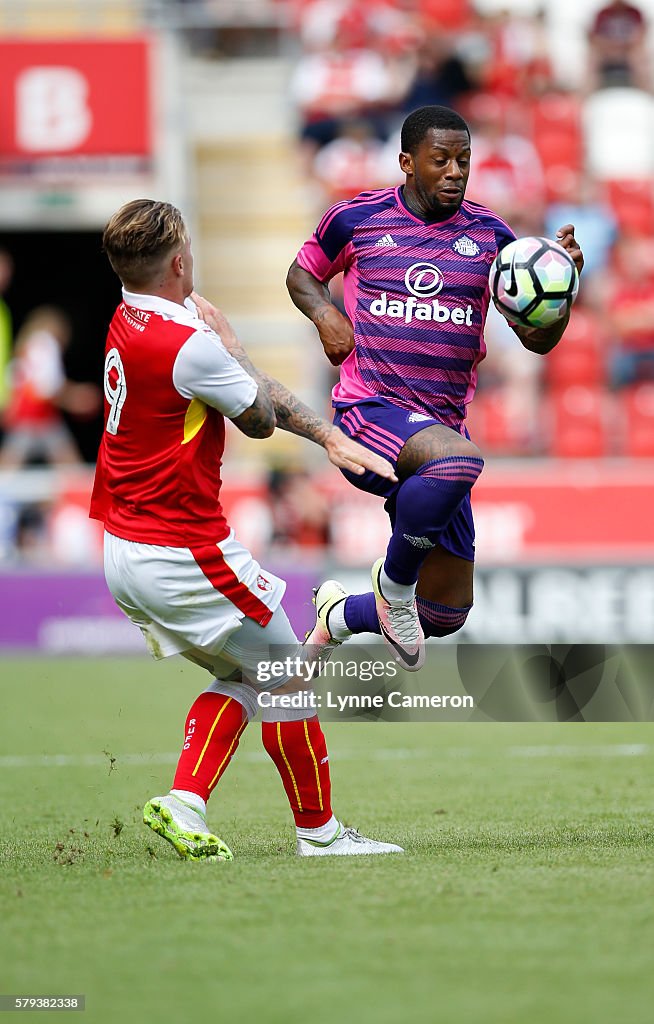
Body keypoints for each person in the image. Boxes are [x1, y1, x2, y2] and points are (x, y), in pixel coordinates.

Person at [90, 198, 403, 860]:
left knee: (247, 675)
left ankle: (185, 803)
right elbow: (257, 418)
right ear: (180, 260)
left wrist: (321, 434)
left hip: (124, 547)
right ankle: (319, 835)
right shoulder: (190, 342)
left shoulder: (129, 314)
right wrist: (239, 352)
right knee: (288, 673)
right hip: (182, 550)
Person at [287, 104, 584, 671]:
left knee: (445, 614)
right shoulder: (354, 219)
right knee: (459, 463)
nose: (454, 171)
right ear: (406, 162)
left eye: (463, 160)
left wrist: (561, 289)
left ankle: (340, 615)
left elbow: (538, 342)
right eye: (440, 159)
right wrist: (325, 316)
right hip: (369, 412)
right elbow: (302, 274)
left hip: (438, 428)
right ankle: (392, 589)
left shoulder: (492, 236)